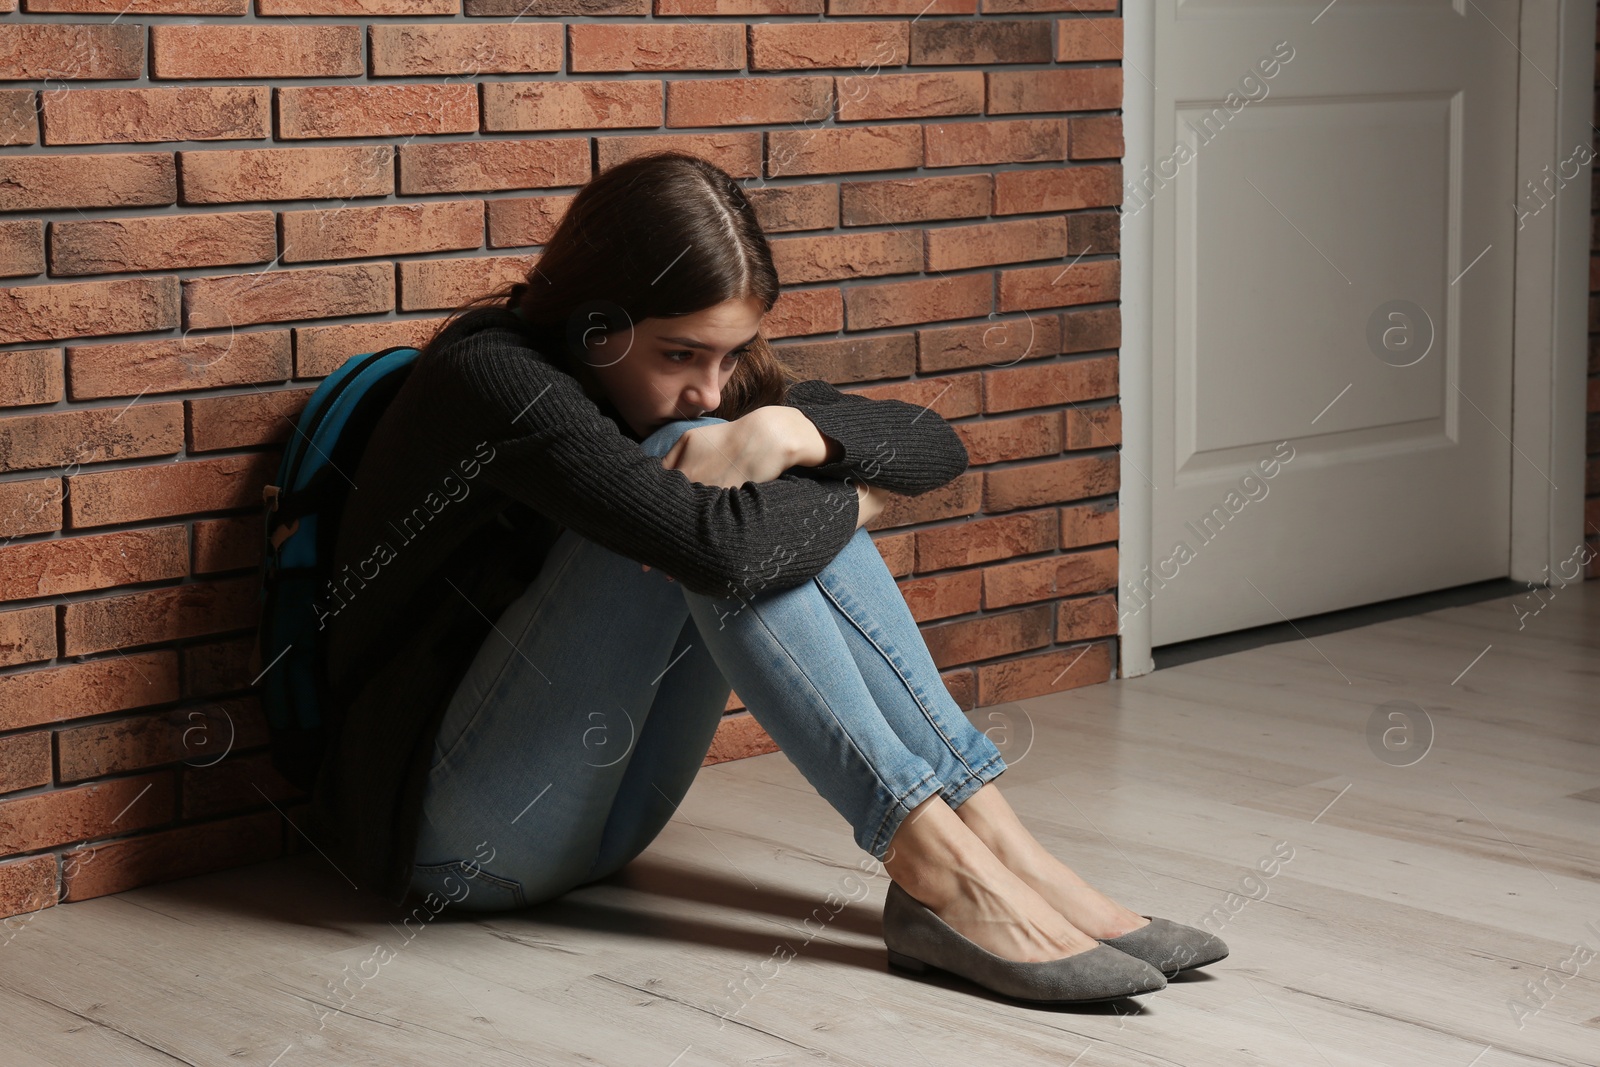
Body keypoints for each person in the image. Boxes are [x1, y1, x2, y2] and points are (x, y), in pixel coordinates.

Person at [313, 151, 1225, 1004]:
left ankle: (1000, 843)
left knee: (744, 475)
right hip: (460, 843)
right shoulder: (491, 374)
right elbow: (723, 552)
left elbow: (937, 443)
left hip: (611, 826)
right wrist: (856, 498)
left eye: (729, 355)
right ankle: (939, 869)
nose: (710, 390)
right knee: (707, 482)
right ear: (594, 324)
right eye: (680, 354)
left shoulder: (709, 386)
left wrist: (798, 434)